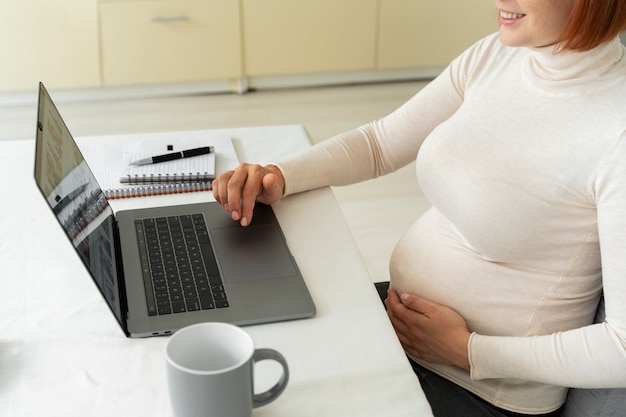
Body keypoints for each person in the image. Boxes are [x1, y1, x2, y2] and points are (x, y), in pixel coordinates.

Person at [213, 1, 626, 416]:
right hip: (398, 327)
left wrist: (468, 351)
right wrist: (280, 176)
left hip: (479, 390)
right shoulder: (498, 55)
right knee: (234, 349)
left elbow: (622, 348)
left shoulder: (616, 131)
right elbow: (378, 144)